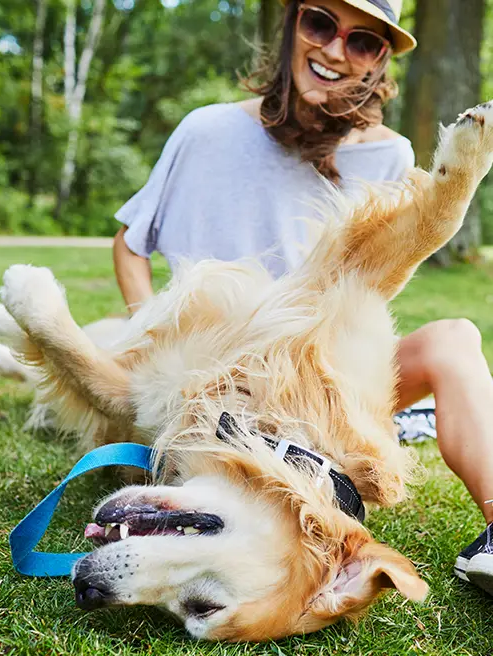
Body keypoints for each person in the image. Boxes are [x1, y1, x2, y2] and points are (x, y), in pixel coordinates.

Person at [113, 0, 493, 595]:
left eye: (364, 41)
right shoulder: (207, 129)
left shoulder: (388, 154)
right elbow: (131, 244)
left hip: (320, 377)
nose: (337, 51)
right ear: (291, 24)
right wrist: (147, 339)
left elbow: (368, 284)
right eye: (320, 23)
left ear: (380, 62)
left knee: (455, 337)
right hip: (218, 372)